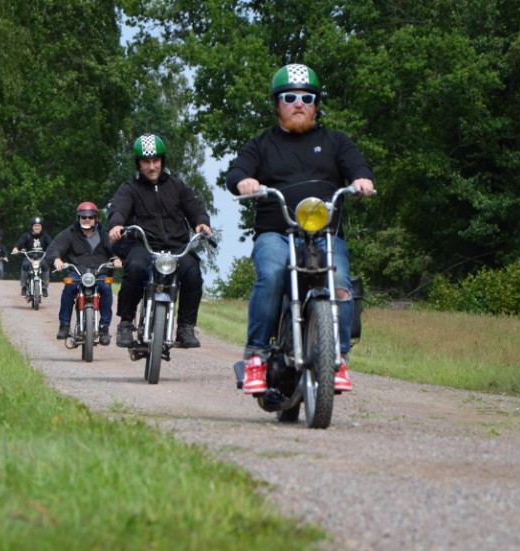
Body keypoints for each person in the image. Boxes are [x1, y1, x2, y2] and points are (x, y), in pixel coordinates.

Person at [225, 63, 375, 393]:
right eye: (290, 97)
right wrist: (244, 181)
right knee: (274, 272)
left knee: (339, 281)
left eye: (307, 98)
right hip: (276, 233)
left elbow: (357, 165)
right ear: (277, 104)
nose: (298, 104)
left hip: (325, 234)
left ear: (316, 105)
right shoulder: (261, 144)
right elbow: (235, 173)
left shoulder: (336, 141)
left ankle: (338, 358)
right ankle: (257, 357)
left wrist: (362, 180)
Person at [108, 133, 213, 348]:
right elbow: (119, 208)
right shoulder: (130, 189)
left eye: (155, 161)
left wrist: (201, 222)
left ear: (162, 161)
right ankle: (126, 323)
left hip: (176, 246)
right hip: (144, 245)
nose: (152, 166)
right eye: (146, 162)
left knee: (193, 273)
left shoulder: (178, 186)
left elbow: (195, 207)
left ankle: (185, 327)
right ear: (139, 164)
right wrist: (117, 225)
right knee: (134, 268)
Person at [44, 202, 122, 344]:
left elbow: (115, 247)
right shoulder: (70, 233)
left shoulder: (104, 233)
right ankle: (64, 325)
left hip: (100, 272)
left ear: (95, 218)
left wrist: (117, 258)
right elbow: (54, 248)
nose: (87, 219)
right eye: (83, 216)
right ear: (78, 217)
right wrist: (56, 259)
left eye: (90, 217)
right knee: (69, 287)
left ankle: (104, 328)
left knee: (106, 288)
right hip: (78, 272)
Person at [11, 217, 52, 297]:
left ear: (41, 227)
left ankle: (44, 288)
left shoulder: (45, 236)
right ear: (32, 227)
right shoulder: (26, 235)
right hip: (30, 257)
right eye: (35, 225)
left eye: (39, 226)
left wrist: (52, 252)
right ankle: (24, 286)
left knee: (45, 266)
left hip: (41, 258)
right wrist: (16, 248)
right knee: (25, 265)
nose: (37, 227)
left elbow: (51, 245)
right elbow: (19, 243)